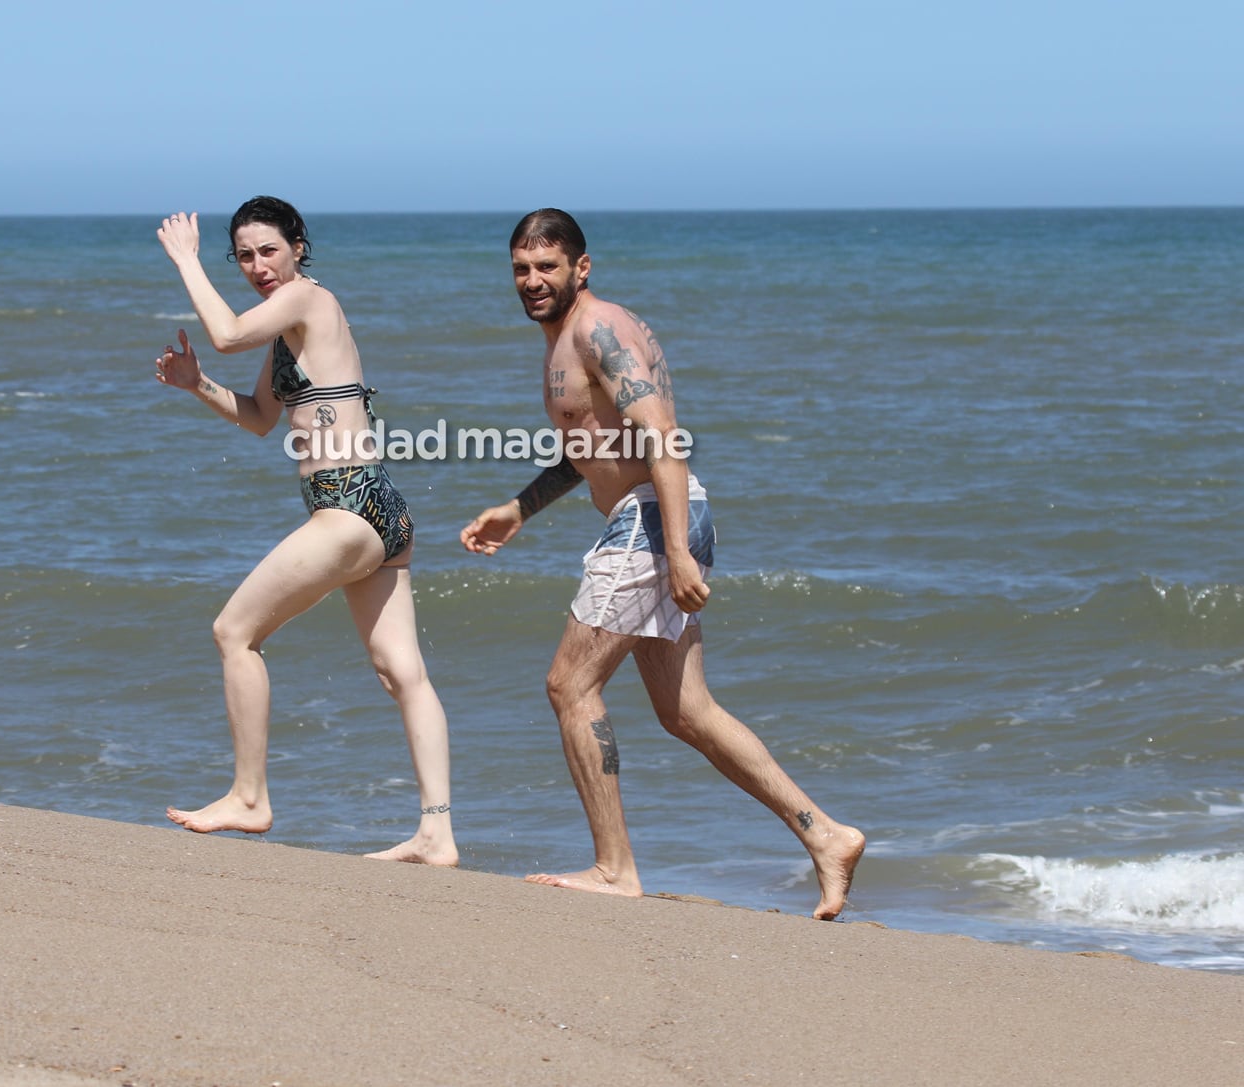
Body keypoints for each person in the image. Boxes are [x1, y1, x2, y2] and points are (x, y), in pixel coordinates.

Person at [459, 208, 862, 917]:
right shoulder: (568, 338)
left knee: (569, 685)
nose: (532, 281)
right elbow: (593, 446)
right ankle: (826, 834)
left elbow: (662, 436)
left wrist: (674, 548)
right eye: (522, 268)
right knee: (688, 711)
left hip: (651, 519)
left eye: (547, 267)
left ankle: (615, 867)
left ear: (581, 268)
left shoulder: (595, 329)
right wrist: (519, 509)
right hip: (655, 515)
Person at [153, 196, 457, 866]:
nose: (257, 265)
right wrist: (196, 383)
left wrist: (184, 260)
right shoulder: (292, 330)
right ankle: (437, 831)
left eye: (268, 250)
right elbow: (262, 416)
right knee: (400, 671)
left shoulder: (308, 299)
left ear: (297, 246)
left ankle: (250, 795)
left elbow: (230, 332)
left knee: (234, 633)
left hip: (347, 503)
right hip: (379, 506)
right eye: (243, 256)